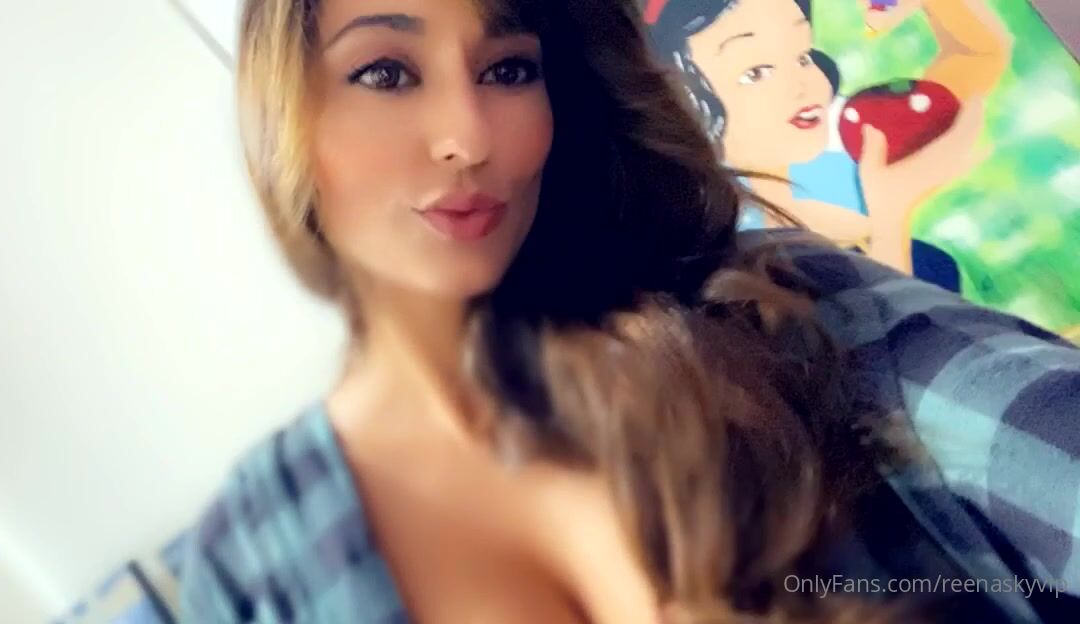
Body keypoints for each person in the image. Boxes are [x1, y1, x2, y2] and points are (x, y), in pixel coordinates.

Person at [177, 0, 1079, 622]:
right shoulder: (258, 564)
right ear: (289, 118)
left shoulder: (776, 308)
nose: (468, 137)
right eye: (385, 71)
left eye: (508, 68)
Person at [644, 0, 1010, 291]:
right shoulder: (735, 256)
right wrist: (890, 217)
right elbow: (886, 343)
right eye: (755, 73)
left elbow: (978, 54)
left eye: (802, 56)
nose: (805, 85)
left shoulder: (853, 148)